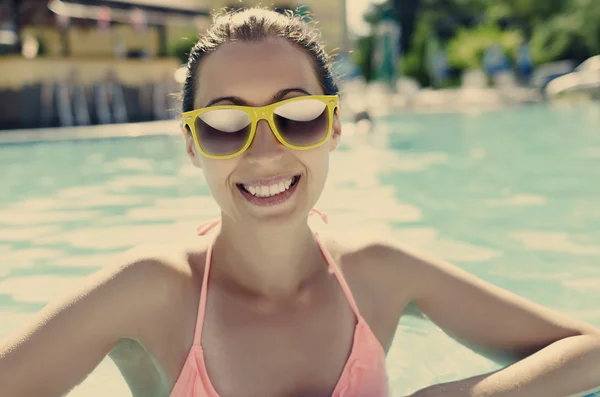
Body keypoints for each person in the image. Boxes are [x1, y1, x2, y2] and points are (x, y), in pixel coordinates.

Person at [1, 7, 600, 397]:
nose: (265, 152)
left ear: (336, 127)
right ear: (191, 144)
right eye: (226, 123)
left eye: (298, 116)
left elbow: (588, 350)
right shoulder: (151, 291)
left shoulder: (375, 274)